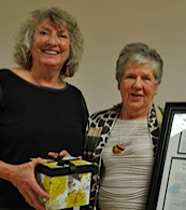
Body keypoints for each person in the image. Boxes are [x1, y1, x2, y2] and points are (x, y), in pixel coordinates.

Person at [0, 7, 88, 210]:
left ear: (70, 49)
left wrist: (71, 164)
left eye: (62, 35)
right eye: (44, 32)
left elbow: (80, 160)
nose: (52, 41)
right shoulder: (4, 83)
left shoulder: (75, 98)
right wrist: (12, 173)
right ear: (29, 42)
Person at [84, 42, 163, 210]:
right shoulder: (96, 122)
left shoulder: (168, 125)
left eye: (146, 78)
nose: (137, 85)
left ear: (156, 86)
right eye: (130, 77)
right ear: (118, 83)